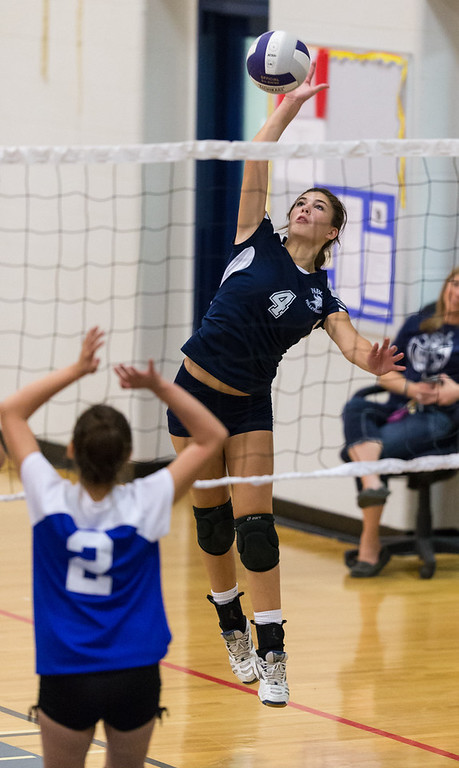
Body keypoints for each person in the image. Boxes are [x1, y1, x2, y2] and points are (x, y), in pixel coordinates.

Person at [167, 62, 405, 708]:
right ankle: (229, 628)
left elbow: (356, 347)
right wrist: (289, 104)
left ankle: (271, 652)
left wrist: (378, 360)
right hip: (193, 393)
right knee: (211, 529)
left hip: (247, 406)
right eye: (301, 201)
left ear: (330, 233)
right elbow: (258, 155)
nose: (303, 207)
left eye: (317, 208)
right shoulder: (255, 238)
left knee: (255, 529)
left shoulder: (321, 296)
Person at [0, 326, 228, 768]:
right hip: (134, 672)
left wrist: (79, 368)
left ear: (69, 451)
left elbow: (10, 413)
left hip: (67, 672)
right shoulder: (148, 500)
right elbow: (212, 437)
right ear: (127, 456)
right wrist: (159, 385)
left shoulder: (49, 499)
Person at [342, 266, 459, 578]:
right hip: (401, 405)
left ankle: (369, 546)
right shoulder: (421, 320)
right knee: (356, 408)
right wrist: (411, 388)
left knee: (363, 454)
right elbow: (388, 370)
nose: (457, 294)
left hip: (441, 418)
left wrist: (455, 391)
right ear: (447, 284)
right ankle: (372, 483)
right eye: (455, 284)